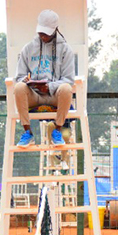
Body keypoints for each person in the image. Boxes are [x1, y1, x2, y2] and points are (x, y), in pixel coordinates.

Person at [13, 9, 75, 147]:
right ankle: (27, 132)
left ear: (55, 30)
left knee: (66, 88)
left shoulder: (65, 49)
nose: (43, 36)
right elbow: (19, 76)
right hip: (35, 95)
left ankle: (57, 130)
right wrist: (28, 82)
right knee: (18, 88)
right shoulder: (28, 48)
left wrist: (49, 86)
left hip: (55, 95)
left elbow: (69, 79)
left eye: (46, 33)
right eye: (41, 32)